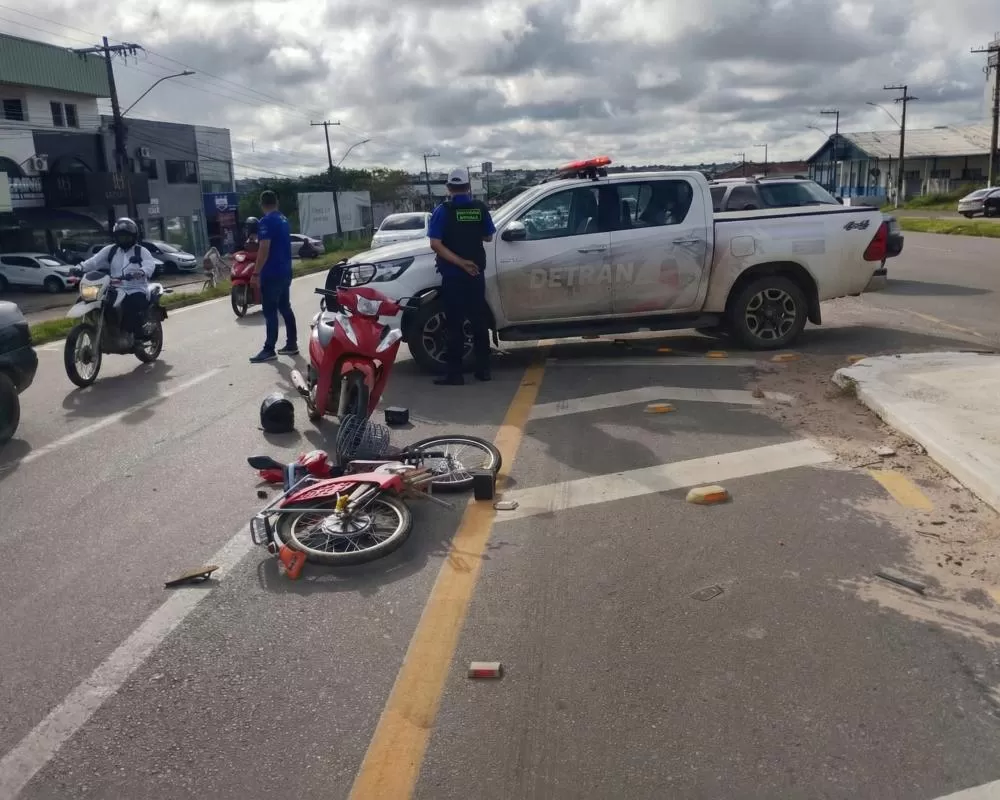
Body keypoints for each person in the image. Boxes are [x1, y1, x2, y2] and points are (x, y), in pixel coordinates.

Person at [427, 167, 496, 386]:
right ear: (468, 187)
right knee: (478, 321)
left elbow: (435, 243)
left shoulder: (442, 211)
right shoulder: (479, 208)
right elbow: (488, 236)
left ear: (448, 188)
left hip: (453, 276)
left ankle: (455, 375)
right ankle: (483, 370)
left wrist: (459, 262)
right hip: (475, 274)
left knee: (454, 324)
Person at [79, 217, 157, 339]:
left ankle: (137, 336)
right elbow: (94, 261)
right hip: (114, 288)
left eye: (126, 237)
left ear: (133, 237)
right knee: (101, 302)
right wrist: (79, 267)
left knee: (131, 306)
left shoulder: (141, 251)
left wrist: (141, 272)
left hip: (136, 288)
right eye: (120, 237)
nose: (123, 239)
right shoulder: (111, 250)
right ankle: (109, 330)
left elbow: (150, 264)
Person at [249, 191, 298, 363]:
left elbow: (264, 248)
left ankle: (269, 349)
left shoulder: (266, 221)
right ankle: (292, 343)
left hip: (272, 273)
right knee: (285, 307)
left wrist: (256, 273)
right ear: (276, 202)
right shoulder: (283, 220)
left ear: (261, 204)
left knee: (270, 312)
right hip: (285, 271)